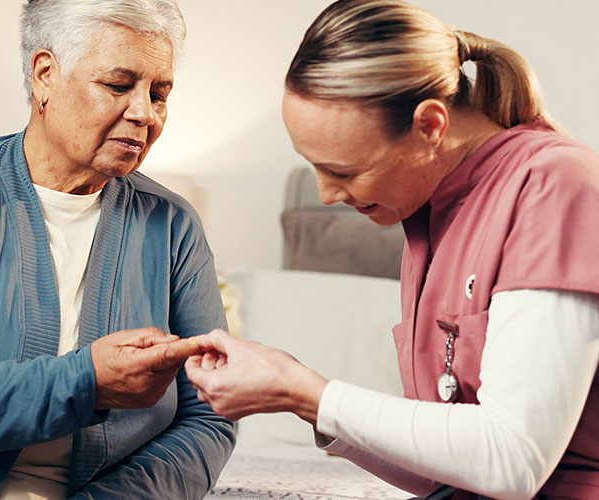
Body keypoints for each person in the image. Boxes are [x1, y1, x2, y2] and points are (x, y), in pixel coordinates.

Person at [184, 1, 599, 499]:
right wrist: (295, 398)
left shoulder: (555, 184)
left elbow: (512, 460)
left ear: (430, 126)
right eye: (315, 167)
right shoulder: (426, 214)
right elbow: (443, 467)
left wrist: (306, 391)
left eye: (344, 171)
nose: (326, 195)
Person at [0, 0, 235, 499]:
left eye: (159, 93)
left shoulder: (173, 224)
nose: (144, 113)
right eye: (118, 85)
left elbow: (211, 417)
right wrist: (87, 381)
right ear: (45, 76)